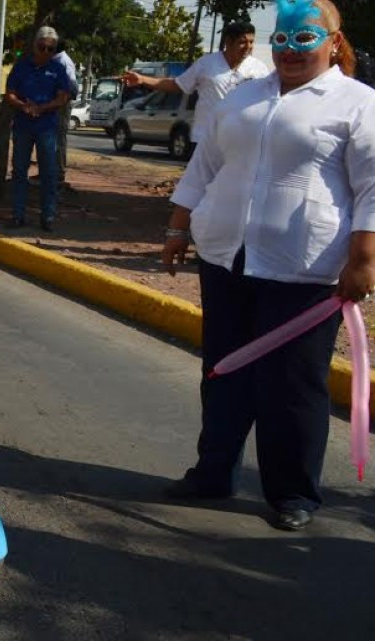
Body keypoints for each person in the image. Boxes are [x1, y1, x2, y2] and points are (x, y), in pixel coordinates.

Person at [161, 0, 375, 532]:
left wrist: (365, 257)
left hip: (305, 270)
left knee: (294, 385)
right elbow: (205, 163)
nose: (290, 51)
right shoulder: (243, 96)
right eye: (281, 40)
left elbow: (373, 186)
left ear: (333, 40)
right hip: (225, 257)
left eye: (305, 39)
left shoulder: (357, 103)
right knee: (223, 372)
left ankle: (293, 491)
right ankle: (214, 472)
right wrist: (177, 225)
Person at [123, 22, 269, 148]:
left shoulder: (259, 69)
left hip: (242, 141)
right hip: (205, 139)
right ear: (228, 42)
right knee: (201, 181)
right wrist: (142, 79)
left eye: (251, 42)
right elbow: (177, 85)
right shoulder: (206, 64)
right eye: (242, 42)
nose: (248, 47)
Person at [5, 27, 71, 232]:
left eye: (50, 49)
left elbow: (63, 97)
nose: (45, 52)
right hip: (23, 125)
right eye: (42, 47)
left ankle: (47, 216)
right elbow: (10, 94)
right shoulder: (21, 67)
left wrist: (42, 108)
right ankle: (18, 214)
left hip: (46, 128)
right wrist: (24, 106)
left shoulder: (58, 69)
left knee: (49, 174)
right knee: (19, 171)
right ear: (35, 46)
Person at [53, 39, 79, 188]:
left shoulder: (63, 61)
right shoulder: (53, 60)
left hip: (61, 104)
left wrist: (60, 101)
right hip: (53, 103)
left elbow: (73, 87)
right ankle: (49, 170)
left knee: (59, 138)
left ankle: (59, 172)